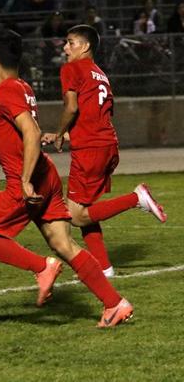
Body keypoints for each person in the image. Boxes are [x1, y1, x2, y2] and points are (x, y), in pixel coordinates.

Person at [0, 29, 133, 328]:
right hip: (46, 176)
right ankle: (115, 303)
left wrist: (24, 182)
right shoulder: (22, 87)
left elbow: (32, 135)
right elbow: (17, 142)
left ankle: (42, 267)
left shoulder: (6, 91)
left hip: (28, 183)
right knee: (64, 243)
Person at [40, 25, 167, 277]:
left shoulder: (71, 68)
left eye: (70, 42)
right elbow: (95, 113)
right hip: (107, 145)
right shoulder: (100, 74)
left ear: (85, 46)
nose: (65, 48)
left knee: (75, 216)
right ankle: (105, 267)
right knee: (86, 209)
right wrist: (66, 134)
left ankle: (136, 198)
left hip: (90, 149)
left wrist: (59, 132)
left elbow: (72, 107)